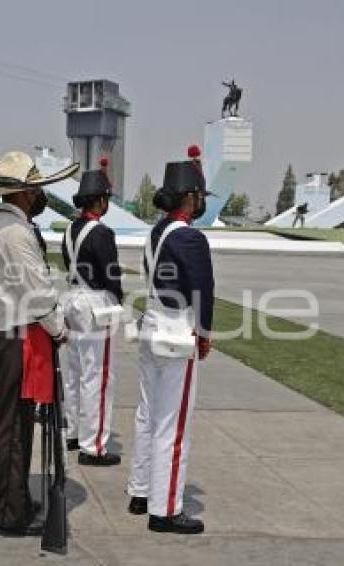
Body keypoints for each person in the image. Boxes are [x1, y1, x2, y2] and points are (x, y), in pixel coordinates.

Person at [0, 151, 77, 536]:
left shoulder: (0, 225)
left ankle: (11, 498)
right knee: (14, 429)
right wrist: (58, 329)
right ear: (21, 193)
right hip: (18, 335)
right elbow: (37, 293)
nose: (39, 194)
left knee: (12, 424)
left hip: (9, 332)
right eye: (34, 188)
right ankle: (9, 511)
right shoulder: (15, 232)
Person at [125, 160, 214, 535]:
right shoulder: (189, 237)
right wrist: (205, 333)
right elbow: (203, 291)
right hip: (177, 329)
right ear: (190, 197)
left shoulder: (155, 232)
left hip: (152, 323)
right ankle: (165, 509)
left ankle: (142, 490)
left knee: (148, 414)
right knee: (173, 424)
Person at [60, 170, 123, 465]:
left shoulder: (70, 229)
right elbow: (111, 273)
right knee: (97, 374)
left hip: (72, 297)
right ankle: (93, 445)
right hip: (95, 301)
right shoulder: (101, 232)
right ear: (99, 201)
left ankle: (73, 432)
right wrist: (117, 297)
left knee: (74, 371)